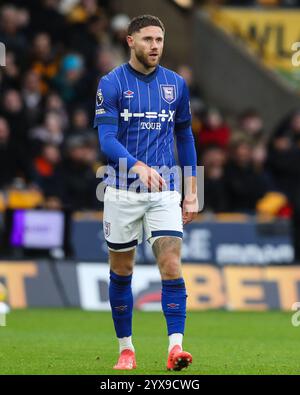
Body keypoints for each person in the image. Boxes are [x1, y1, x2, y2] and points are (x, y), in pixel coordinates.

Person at [94, 15, 198, 371]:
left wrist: (191, 190)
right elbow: (106, 140)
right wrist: (136, 165)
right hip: (122, 191)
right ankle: (126, 348)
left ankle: (176, 349)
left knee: (171, 264)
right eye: (148, 39)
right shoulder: (110, 84)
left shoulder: (176, 85)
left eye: (159, 39)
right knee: (122, 271)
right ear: (130, 41)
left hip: (165, 191)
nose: (155, 46)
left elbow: (185, 137)